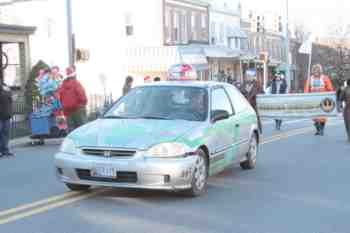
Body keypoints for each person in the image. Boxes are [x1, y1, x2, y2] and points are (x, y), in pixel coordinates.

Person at [304, 64, 334, 136]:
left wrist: (329, 94)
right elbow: (306, 89)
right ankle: (318, 129)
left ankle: (321, 130)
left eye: (317, 70)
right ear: (313, 71)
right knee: (314, 116)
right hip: (313, 100)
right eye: (314, 70)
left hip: (323, 100)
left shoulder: (325, 78)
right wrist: (306, 96)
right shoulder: (310, 79)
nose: (316, 72)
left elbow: (330, 88)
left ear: (320, 71)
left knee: (322, 117)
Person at [59, 66, 88, 131]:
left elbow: (60, 97)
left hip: (67, 110)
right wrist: (83, 103)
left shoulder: (63, 85)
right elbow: (82, 95)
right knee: (82, 128)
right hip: (78, 109)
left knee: (71, 129)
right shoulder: (76, 83)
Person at [0, 78, 14, 157]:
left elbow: (10, 99)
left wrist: (8, 92)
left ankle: (5, 149)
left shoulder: (5, 87)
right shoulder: (4, 90)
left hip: (7, 115)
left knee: (6, 133)